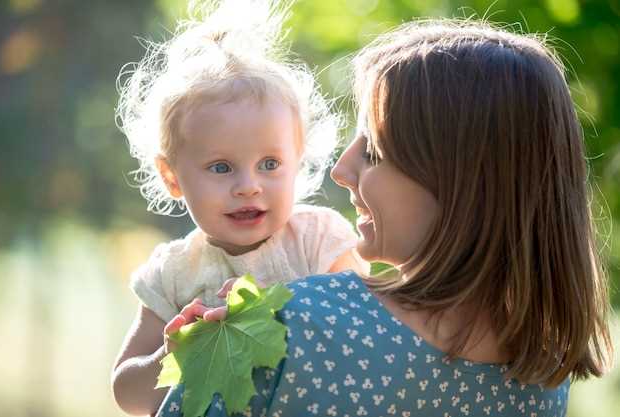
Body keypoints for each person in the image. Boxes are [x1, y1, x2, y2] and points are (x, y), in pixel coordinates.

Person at [155, 18, 613, 417]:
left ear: (460, 183)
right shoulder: (542, 379)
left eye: (373, 151)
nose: (340, 169)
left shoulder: (289, 321)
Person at [110, 1, 369, 415]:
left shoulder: (318, 241)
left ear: (297, 160)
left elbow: (367, 339)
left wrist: (287, 313)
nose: (248, 187)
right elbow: (126, 392)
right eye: (221, 167)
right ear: (172, 176)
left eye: (270, 164)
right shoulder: (174, 274)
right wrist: (173, 356)